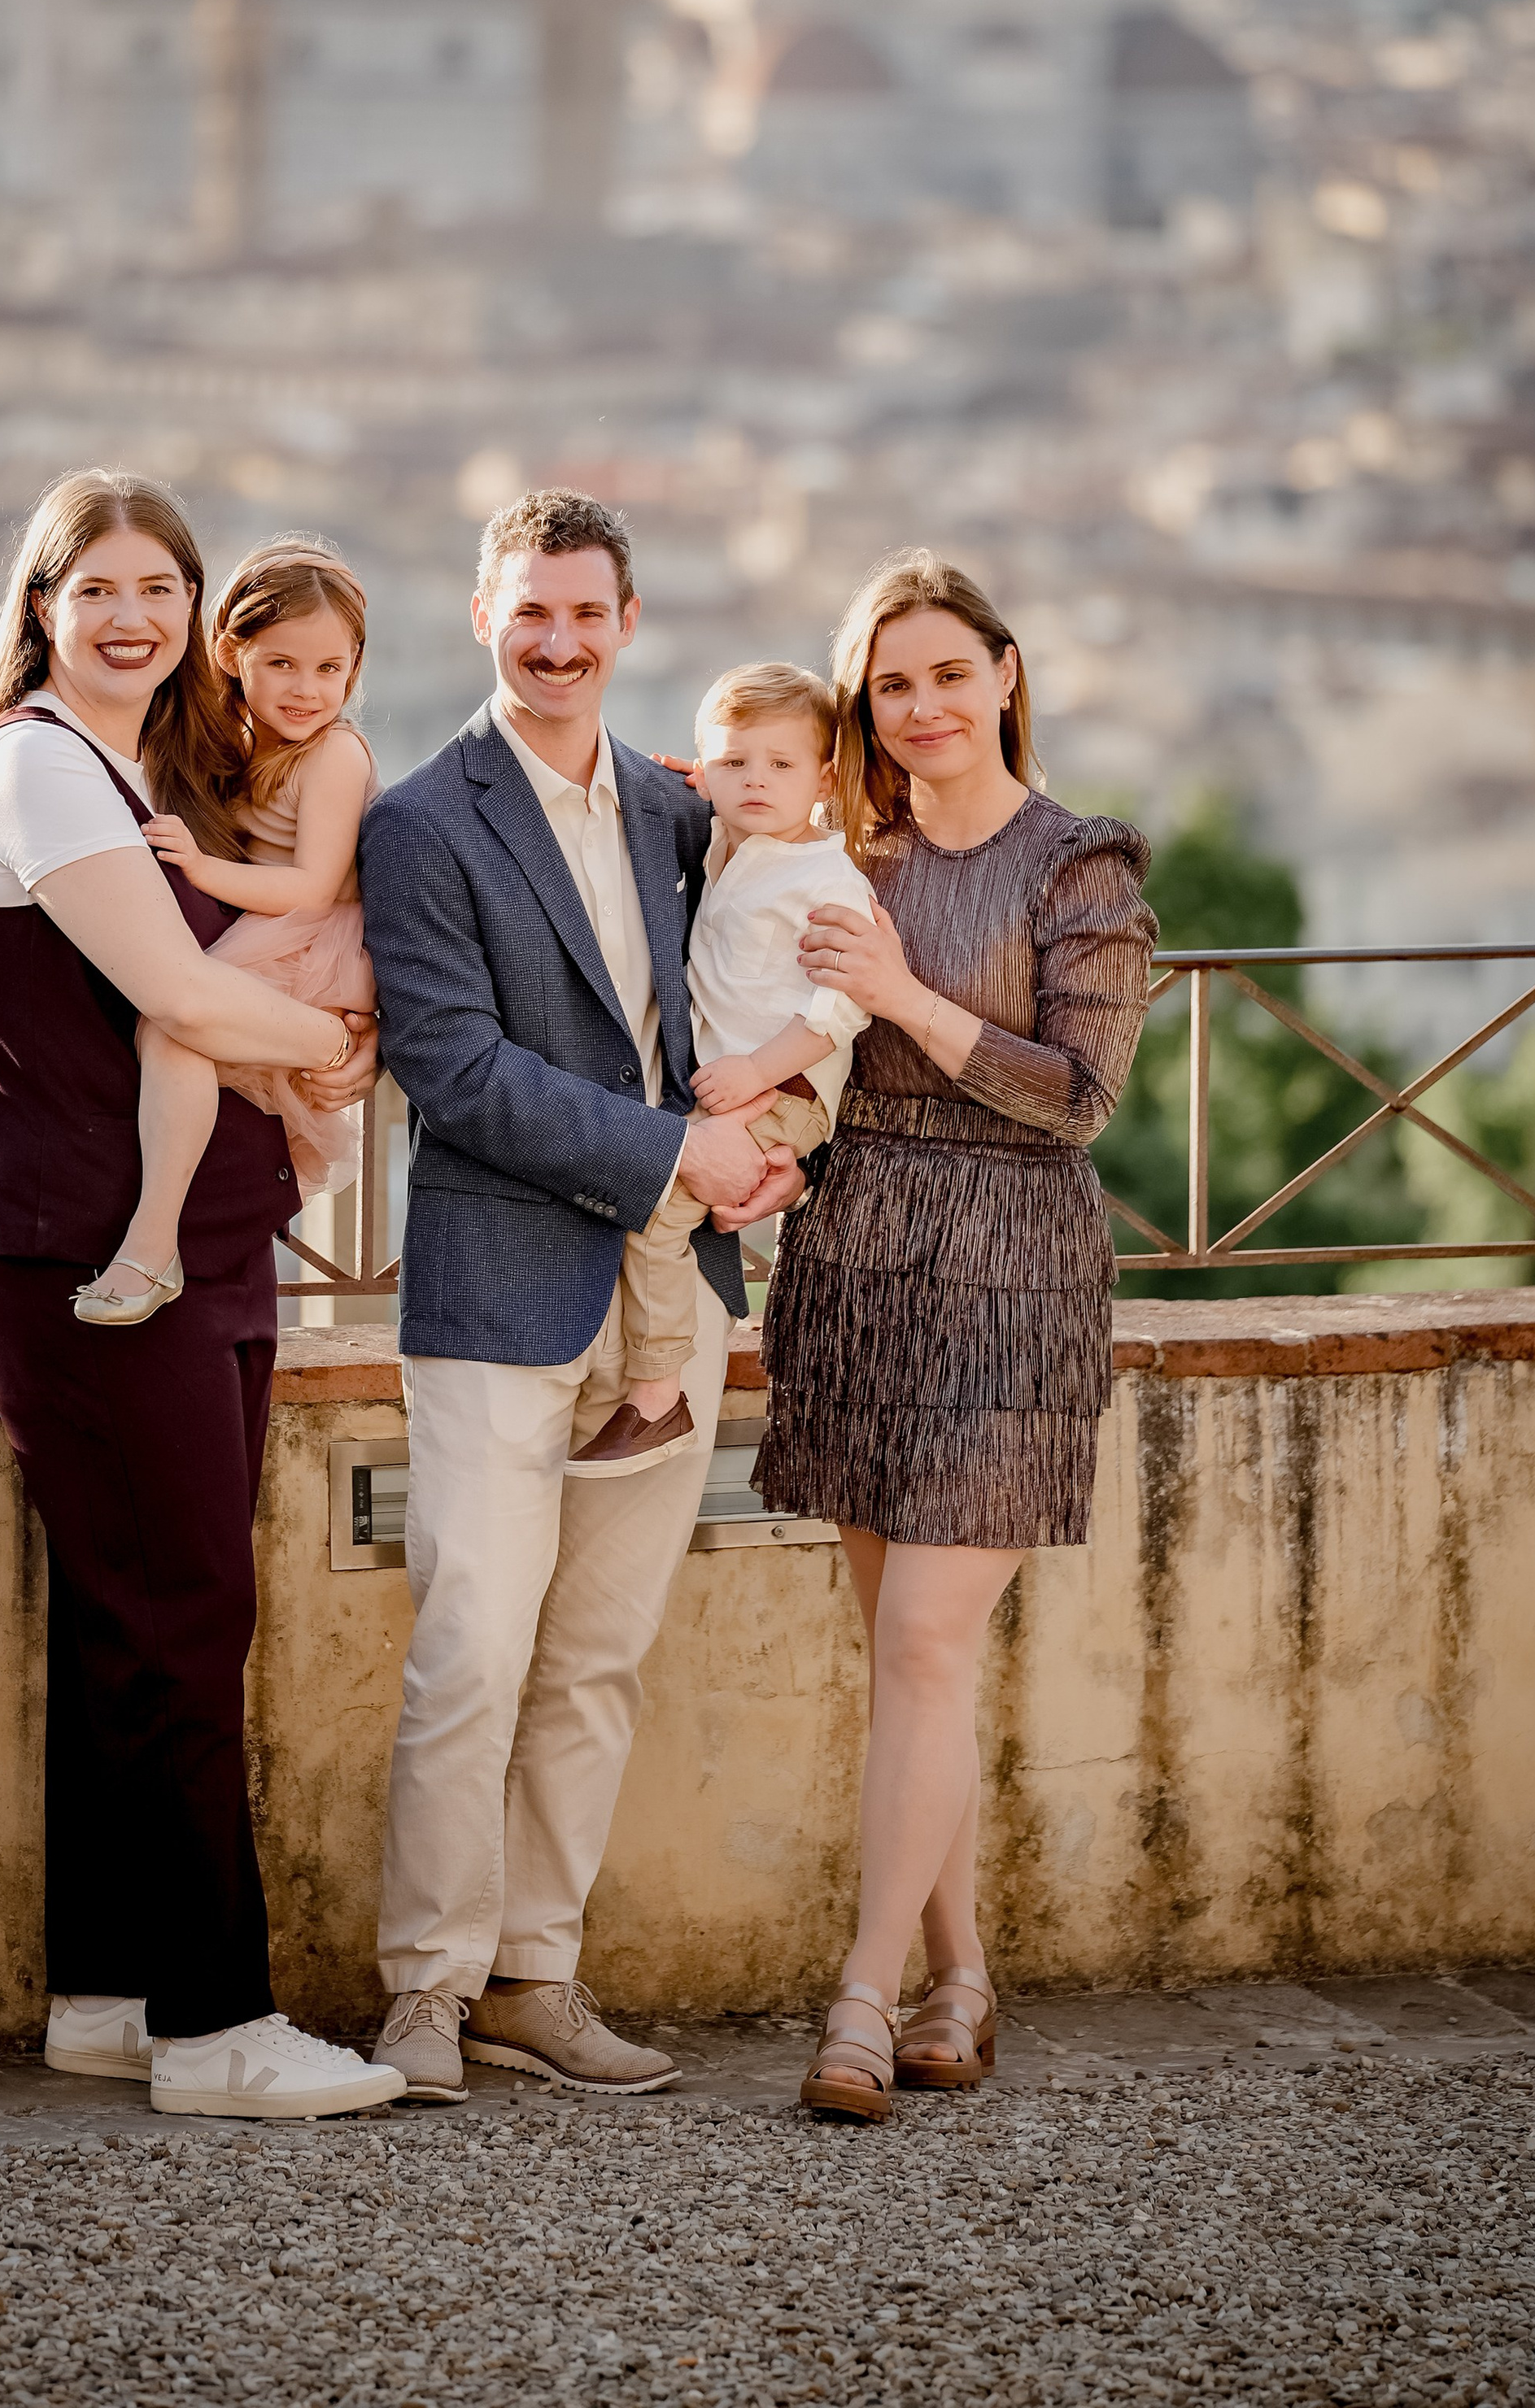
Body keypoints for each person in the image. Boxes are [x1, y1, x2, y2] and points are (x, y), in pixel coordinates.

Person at [0, 469, 403, 2122]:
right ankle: (214, 2029)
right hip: (87, 1253)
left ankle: (110, 1994)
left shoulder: (142, 763)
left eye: (160, 589)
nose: (132, 618)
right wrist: (348, 1040)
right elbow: (183, 991)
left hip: (188, 1237)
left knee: (128, 1618)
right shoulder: (45, 773)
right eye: (97, 590)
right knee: (186, 1615)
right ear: (42, 607)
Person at [357, 488, 797, 2104]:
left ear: (625, 625)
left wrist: (769, 1133)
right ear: (482, 616)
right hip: (496, 1286)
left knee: (597, 1658)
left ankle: (533, 1978)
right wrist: (685, 1153)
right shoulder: (419, 821)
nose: (554, 642)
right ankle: (422, 1991)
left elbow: (759, 972)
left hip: (665, 1293)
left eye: (583, 615)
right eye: (526, 612)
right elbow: (453, 1072)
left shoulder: (683, 818)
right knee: (470, 1647)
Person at [756, 547, 1154, 2121]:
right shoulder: (842, 854)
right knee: (911, 1665)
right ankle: (963, 1974)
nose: (920, 706)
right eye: (889, 684)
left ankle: (860, 1999)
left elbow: (1081, 1097)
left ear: (1003, 673)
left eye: (945, 673)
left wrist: (907, 1001)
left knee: (924, 1642)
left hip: (1016, 1268)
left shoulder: (1083, 862)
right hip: (856, 1257)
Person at [569, 659, 873, 1475]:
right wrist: (696, 786)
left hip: (785, 1087)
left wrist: (756, 1075)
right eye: (735, 763)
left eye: (781, 765)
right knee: (659, 1190)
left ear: (825, 778)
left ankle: (657, 1397)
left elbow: (843, 1006)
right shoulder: (733, 845)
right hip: (741, 1085)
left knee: (657, 1202)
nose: (757, 782)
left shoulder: (825, 876)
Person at [77, 537, 380, 1326]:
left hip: (311, 939)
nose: (308, 689)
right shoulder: (245, 744)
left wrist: (201, 870)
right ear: (229, 651)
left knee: (174, 1030)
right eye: (281, 663)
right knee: (154, 1032)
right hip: (273, 930)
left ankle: (151, 1240)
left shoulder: (336, 754)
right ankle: (90, 1228)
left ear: (354, 667)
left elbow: (312, 884)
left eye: (329, 668)